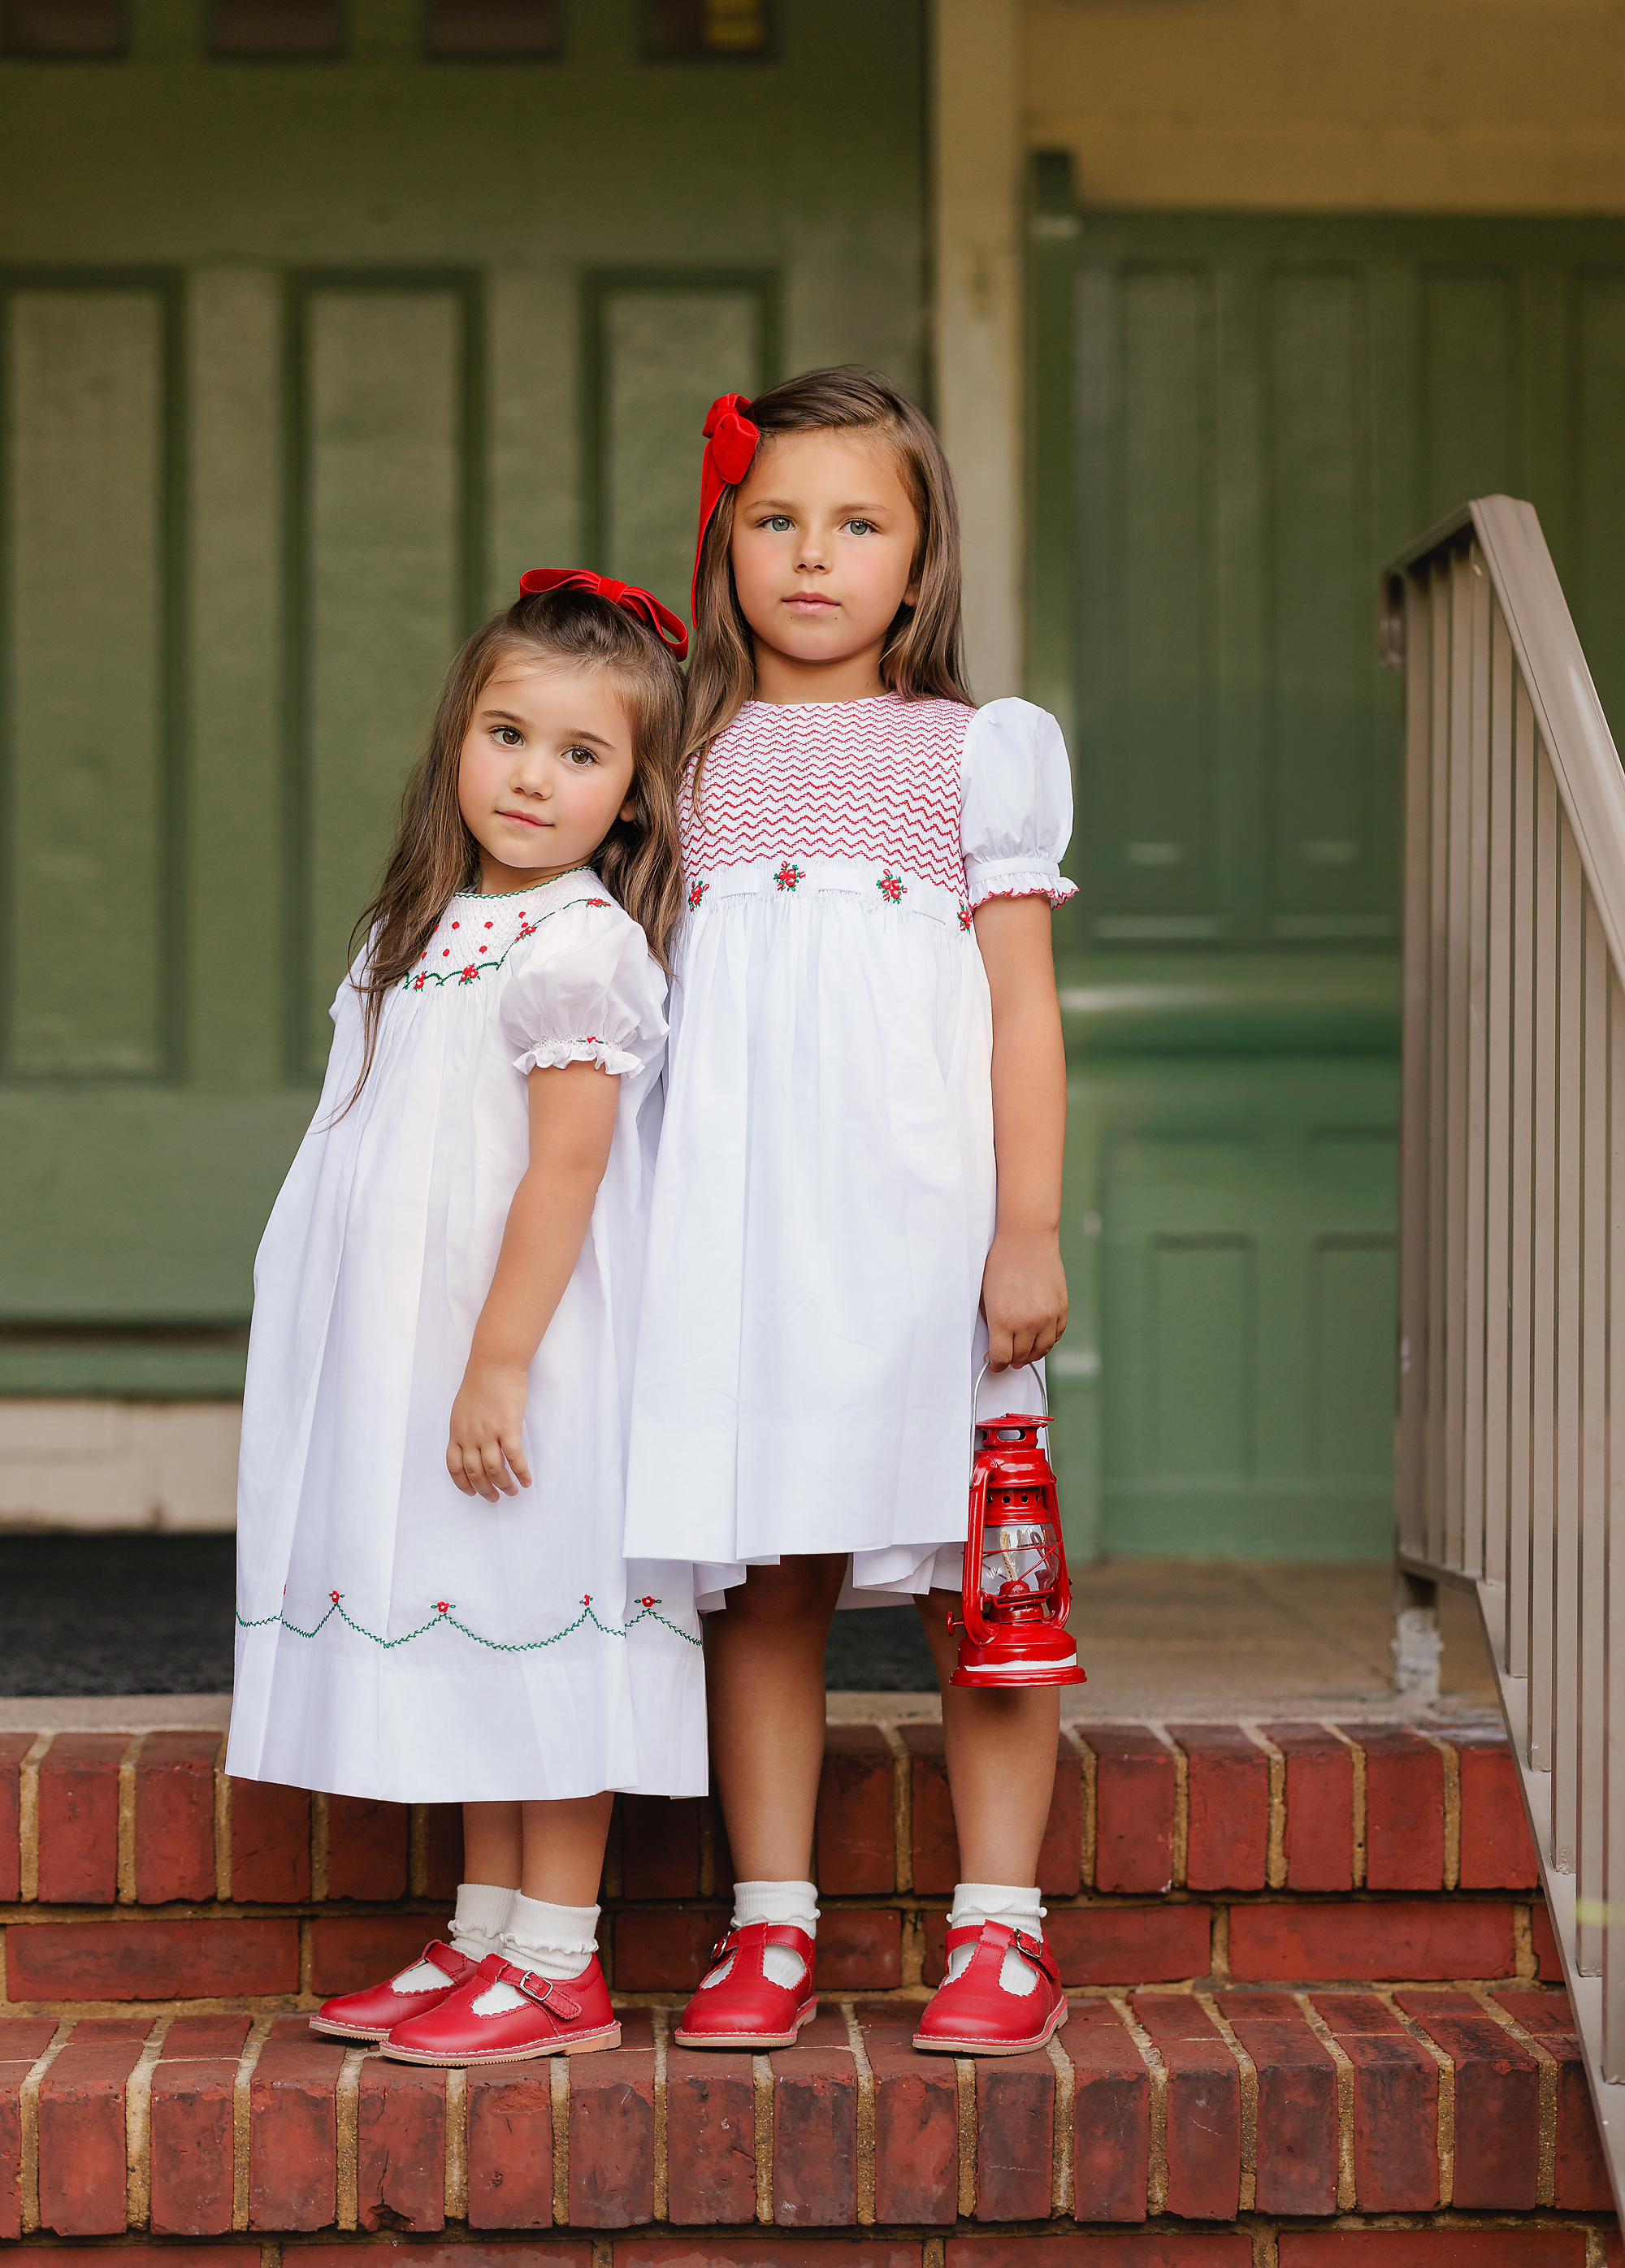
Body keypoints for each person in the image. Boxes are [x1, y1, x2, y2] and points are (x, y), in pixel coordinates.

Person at [624, 371, 1076, 2055]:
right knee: (768, 1580)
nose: (813, 557)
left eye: (858, 522)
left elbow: (1020, 1007)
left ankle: (1002, 1923)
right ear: (726, 543)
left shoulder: (975, 752)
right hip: (741, 1230)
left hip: (924, 1231)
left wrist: (1023, 1227)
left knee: (987, 1583)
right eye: (775, 520)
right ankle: (767, 1923)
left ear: (920, 554)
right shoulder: (684, 752)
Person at [226, 571, 705, 2065]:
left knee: (541, 1616)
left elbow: (565, 1171)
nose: (533, 778)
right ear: (458, 739)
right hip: (423, 1350)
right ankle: (487, 1933)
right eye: (509, 735)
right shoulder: (429, 926)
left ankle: (560, 1957)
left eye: (582, 755)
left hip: (528, 1354)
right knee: (477, 1624)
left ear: (632, 798)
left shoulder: (576, 947)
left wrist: (501, 1361)